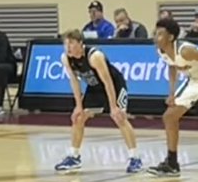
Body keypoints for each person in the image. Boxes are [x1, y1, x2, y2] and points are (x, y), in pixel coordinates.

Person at [53, 30, 142, 174]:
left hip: (114, 86)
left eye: (71, 43)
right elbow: (74, 81)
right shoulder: (66, 58)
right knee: (78, 117)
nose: (67, 47)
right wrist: (78, 106)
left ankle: (135, 158)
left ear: (80, 43)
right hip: (94, 88)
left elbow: (108, 82)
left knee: (119, 117)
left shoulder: (95, 56)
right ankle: (74, 157)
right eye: (65, 44)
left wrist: (113, 106)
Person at [148, 18, 198, 178]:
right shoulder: (161, 51)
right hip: (193, 80)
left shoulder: (186, 51)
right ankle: (172, 163)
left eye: (160, 34)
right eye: (155, 33)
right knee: (169, 116)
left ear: (171, 37)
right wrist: (172, 93)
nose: (156, 37)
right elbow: (172, 67)